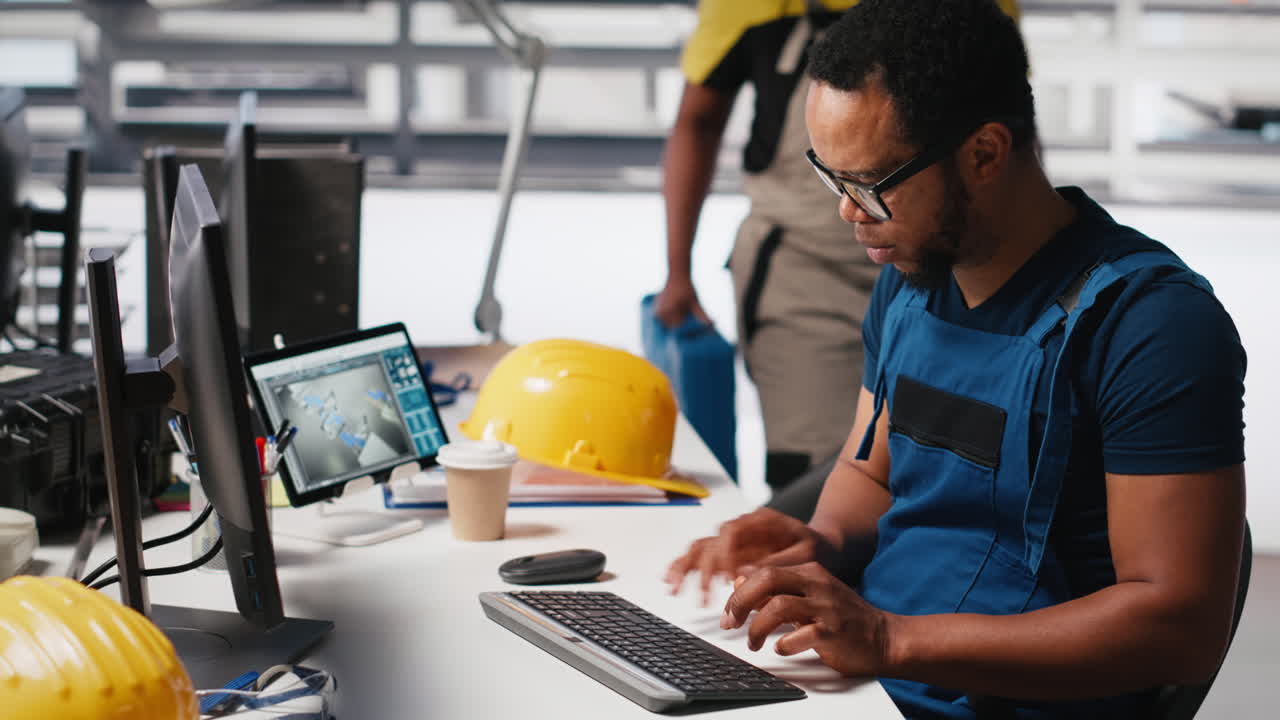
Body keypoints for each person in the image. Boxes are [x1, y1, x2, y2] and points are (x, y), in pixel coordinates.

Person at [664, 1, 1248, 718]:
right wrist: (817, 542)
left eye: (871, 184)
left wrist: (890, 638)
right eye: (832, 178)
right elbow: (868, 468)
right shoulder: (909, 281)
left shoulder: (1151, 324)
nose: (848, 212)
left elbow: (1177, 629)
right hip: (867, 690)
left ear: (985, 153)